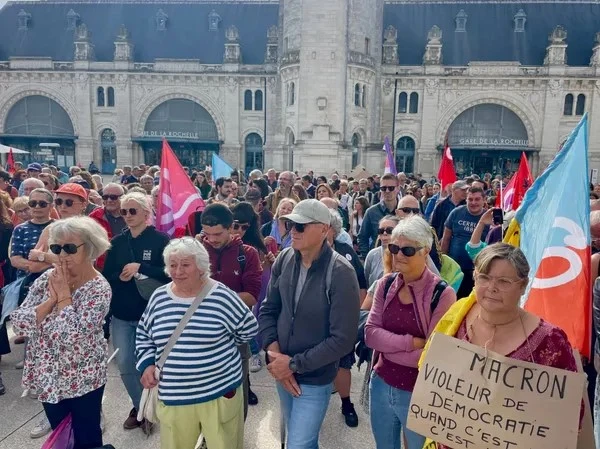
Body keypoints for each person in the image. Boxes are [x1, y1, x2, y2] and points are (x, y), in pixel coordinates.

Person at [420, 243, 582, 449]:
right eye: (484, 277)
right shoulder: (457, 317)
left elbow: (570, 414)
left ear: (523, 285)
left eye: (504, 281)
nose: (492, 287)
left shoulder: (551, 341)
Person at [136, 237, 258, 449]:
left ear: (201, 267)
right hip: (175, 396)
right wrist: (147, 364)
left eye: (185, 265)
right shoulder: (159, 297)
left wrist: (220, 349)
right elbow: (144, 334)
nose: (178, 271)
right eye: (173, 265)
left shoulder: (221, 296)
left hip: (219, 393)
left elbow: (248, 329)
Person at [259, 199, 360, 448]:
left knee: (298, 444)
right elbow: (268, 309)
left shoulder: (341, 272)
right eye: (290, 224)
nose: (293, 230)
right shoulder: (284, 259)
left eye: (301, 226)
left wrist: (292, 364)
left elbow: (343, 338)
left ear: (324, 229)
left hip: (314, 377)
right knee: (301, 440)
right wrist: (275, 357)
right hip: (282, 369)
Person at [10, 216, 112, 449]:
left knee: (86, 440)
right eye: (56, 248)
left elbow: (70, 336)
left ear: (91, 248)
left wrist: (64, 296)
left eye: (70, 248)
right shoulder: (48, 278)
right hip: (48, 375)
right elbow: (19, 323)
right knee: (63, 438)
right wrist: (50, 301)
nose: (62, 255)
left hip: (82, 379)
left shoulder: (99, 288)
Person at [365, 215, 456, 449]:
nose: (398, 255)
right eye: (394, 248)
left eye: (407, 250)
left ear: (425, 251)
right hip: (381, 385)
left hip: (418, 393)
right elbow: (370, 334)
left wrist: (390, 348)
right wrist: (411, 342)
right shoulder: (385, 284)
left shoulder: (442, 294)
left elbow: (432, 354)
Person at [102, 192, 170, 432]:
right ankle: (140, 406)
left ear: (146, 212)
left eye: (132, 211)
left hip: (152, 315)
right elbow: (106, 276)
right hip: (122, 312)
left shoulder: (161, 240)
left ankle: (156, 405)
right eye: (124, 212)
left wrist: (143, 267)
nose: (128, 216)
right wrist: (119, 277)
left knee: (154, 365)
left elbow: (170, 273)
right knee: (125, 363)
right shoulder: (118, 242)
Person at [199, 203, 263, 415]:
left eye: (217, 233)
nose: (212, 239)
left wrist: (210, 298)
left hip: (235, 334)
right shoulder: (196, 250)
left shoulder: (247, 254)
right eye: (207, 234)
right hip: (198, 335)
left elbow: (251, 297)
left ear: (230, 228)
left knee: (236, 389)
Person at [326, 209, 367, 427]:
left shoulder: (346, 252)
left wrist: (354, 315)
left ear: (332, 229)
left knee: (343, 364)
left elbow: (361, 285)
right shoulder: (305, 252)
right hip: (313, 320)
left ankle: (346, 403)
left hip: (341, 320)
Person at [231, 202, 277, 375]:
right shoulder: (218, 242)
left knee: (247, 321)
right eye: (236, 225)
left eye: (245, 226)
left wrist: (272, 261)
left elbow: (263, 276)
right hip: (225, 294)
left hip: (246, 296)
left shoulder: (255, 247)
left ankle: (255, 353)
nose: (239, 230)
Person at [441, 186, 488, 298]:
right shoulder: (456, 212)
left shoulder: (488, 218)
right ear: (466, 199)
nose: (473, 202)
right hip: (455, 269)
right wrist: (442, 260)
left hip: (476, 270)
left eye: (477, 199)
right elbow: (446, 237)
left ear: (484, 200)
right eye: (470, 199)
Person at [358, 173, 400, 257]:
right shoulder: (371, 212)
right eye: (383, 188)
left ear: (398, 189)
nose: (387, 191)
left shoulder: (406, 210)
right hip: (378, 258)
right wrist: (367, 256)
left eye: (391, 188)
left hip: (401, 258)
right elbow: (362, 237)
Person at [363, 215, 401, 288]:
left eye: (390, 230)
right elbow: (365, 284)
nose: (384, 233)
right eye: (381, 231)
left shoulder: (404, 255)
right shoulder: (372, 255)